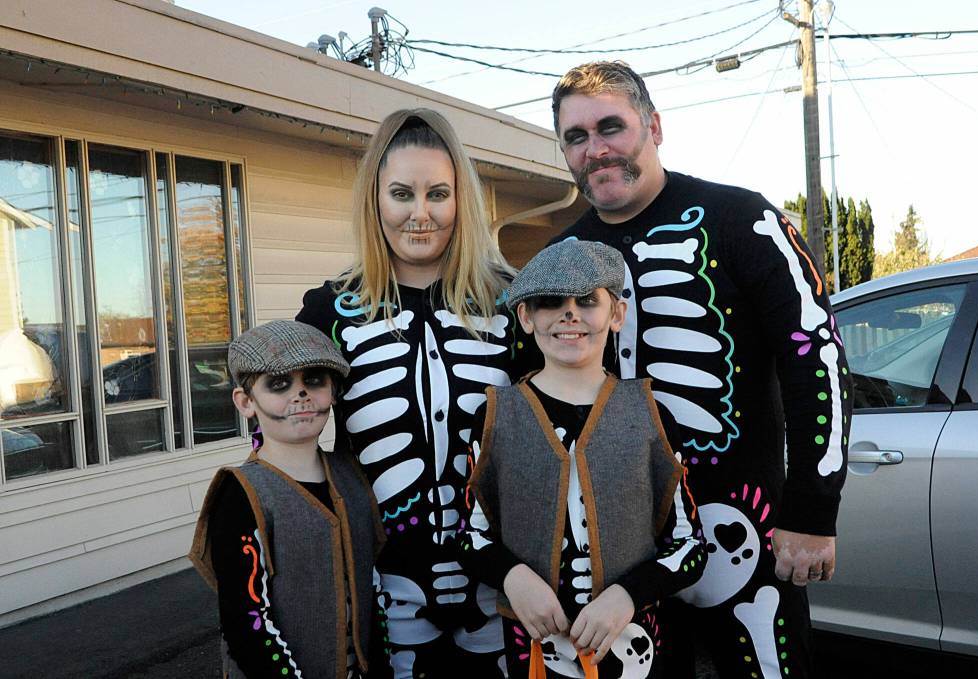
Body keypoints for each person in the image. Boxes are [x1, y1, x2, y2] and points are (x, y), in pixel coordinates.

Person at [547, 61, 853, 678]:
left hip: (744, 532)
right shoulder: (559, 261)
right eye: (576, 137)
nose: (595, 149)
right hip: (617, 553)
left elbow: (813, 355)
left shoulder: (744, 221)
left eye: (612, 126)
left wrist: (813, 509)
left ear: (654, 126)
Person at [296, 108, 529, 678]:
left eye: (438, 194)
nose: (419, 214)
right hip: (384, 594)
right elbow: (282, 436)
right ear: (375, 202)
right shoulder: (330, 311)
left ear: (462, 202)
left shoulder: (514, 303)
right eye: (401, 193)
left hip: (507, 590)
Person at [459, 240, 707, 678]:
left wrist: (628, 595)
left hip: (634, 648)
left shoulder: (651, 414)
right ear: (526, 317)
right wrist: (514, 578)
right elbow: (468, 536)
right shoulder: (496, 416)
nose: (569, 314)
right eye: (551, 302)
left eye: (587, 300)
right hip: (534, 648)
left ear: (616, 315)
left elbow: (690, 546)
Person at [189, 320, 386, 678]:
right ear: (246, 401)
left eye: (314, 381)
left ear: (332, 392)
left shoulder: (351, 479)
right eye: (279, 384)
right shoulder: (240, 494)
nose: (301, 395)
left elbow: (373, 592)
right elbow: (246, 624)